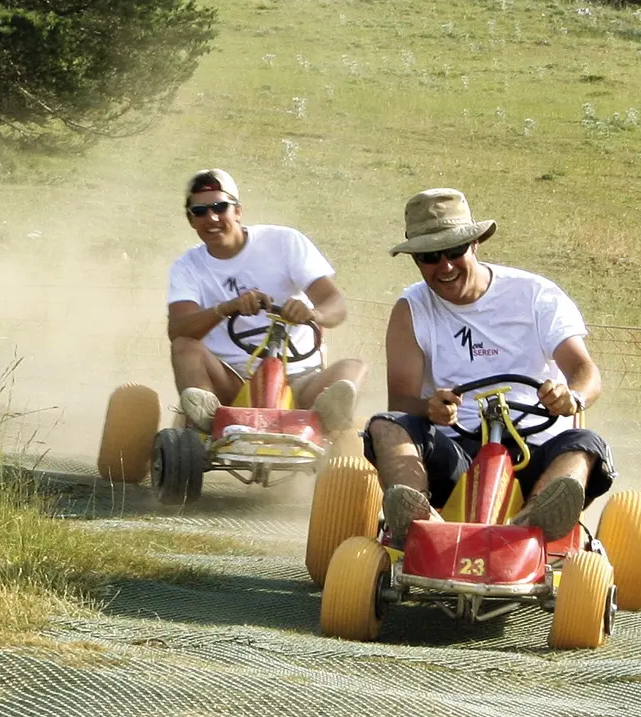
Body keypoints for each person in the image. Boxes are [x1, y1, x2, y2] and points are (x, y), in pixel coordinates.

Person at [363, 187, 615, 546]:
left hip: (535, 452)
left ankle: (532, 523)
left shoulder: (535, 295)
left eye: (454, 251)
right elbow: (401, 402)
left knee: (585, 444)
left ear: (475, 244)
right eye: (430, 257)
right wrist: (431, 407)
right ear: (416, 260)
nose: (445, 266)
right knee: (385, 426)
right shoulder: (411, 308)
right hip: (455, 456)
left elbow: (585, 370)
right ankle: (419, 519)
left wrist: (571, 397)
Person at [167, 168, 365, 434]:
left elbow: (335, 304)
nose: (211, 217)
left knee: (354, 368)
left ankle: (323, 426)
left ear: (237, 211)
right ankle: (211, 426)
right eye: (200, 211)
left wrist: (313, 314)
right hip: (232, 379)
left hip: (299, 378)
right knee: (185, 348)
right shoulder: (188, 266)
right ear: (191, 220)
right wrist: (226, 309)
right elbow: (178, 331)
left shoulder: (285, 242)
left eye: (219, 207)